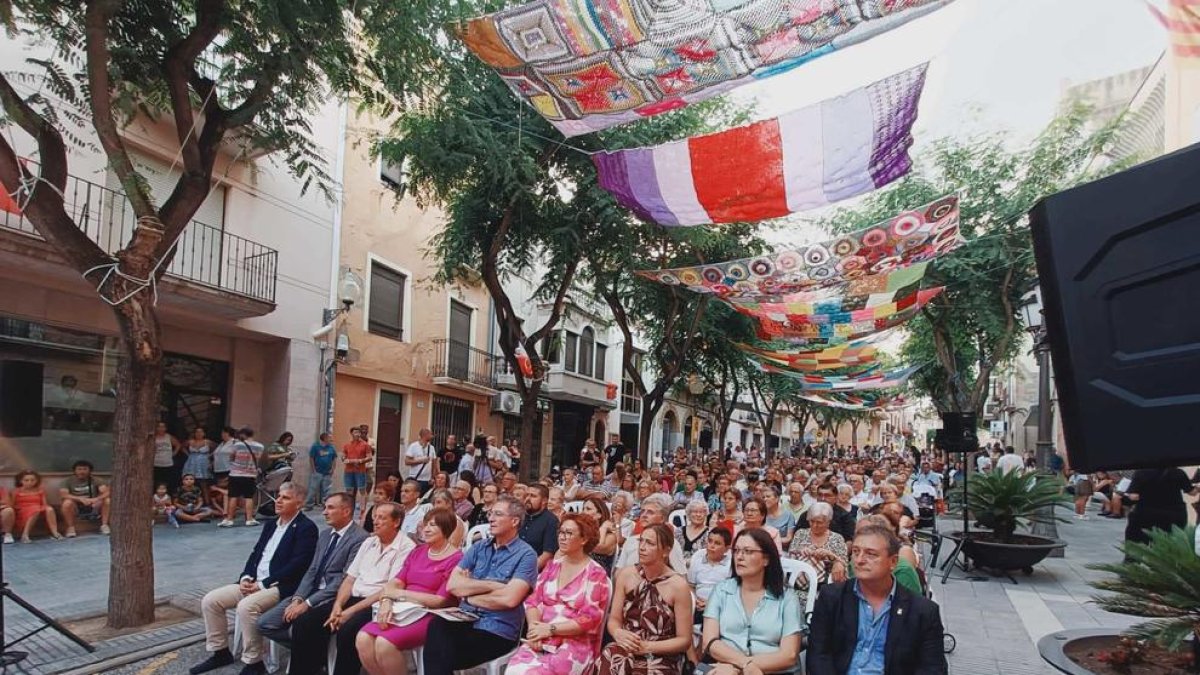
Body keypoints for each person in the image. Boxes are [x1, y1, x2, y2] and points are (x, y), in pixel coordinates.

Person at [190, 483, 318, 675]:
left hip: (279, 586)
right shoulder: (271, 524)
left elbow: (298, 565)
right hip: (254, 581)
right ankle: (220, 652)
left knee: (246, 607)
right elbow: (256, 553)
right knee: (211, 600)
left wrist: (262, 584)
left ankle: (254, 662)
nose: (278, 501)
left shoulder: (306, 528)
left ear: (299, 503)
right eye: (278, 496)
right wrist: (246, 576)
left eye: (285, 498)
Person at [287, 501, 414, 675]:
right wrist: (338, 606)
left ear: (396, 522)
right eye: (374, 517)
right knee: (305, 622)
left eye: (382, 518)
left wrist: (349, 612)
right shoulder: (369, 542)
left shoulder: (406, 547)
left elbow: (388, 589)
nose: (376, 522)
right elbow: (349, 579)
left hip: (376, 603)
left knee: (348, 631)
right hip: (351, 598)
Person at [806, 524, 947, 675]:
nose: (859, 560)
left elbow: (932, 668)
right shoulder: (832, 597)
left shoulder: (922, 611)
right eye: (855, 552)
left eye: (871, 554)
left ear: (893, 562)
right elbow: (818, 654)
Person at [422, 495, 538, 675]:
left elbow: (509, 600)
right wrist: (493, 585)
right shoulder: (479, 547)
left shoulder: (526, 555)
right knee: (436, 626)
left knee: (441, 652)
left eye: (498, 514)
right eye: (491, 514)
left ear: (514, 521)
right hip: (465, 618)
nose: (490, 518)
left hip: (497, 629)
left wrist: (468, 595)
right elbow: (453, 585)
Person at [356, 508, 463, 675]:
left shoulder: (456, 558)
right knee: (362, 638)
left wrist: (401, 594)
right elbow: (394, 583)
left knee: (384, 644)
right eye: (425, 525)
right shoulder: (418, 551)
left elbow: (440, 600)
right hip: (403, 609)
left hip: (431, 614)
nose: (426, 529)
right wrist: (386, 601)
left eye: (432, 525)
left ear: (446, 529)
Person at [260, 492, 369, 652]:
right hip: (310, 592)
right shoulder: (325, 535)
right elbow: (312, 570)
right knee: (265, 623)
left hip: (331, 597)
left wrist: (308, 604)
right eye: (325, 507)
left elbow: (344, 579)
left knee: (301, 627)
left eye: (330, 508)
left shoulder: (360, 538)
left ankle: (308, 648)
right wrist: (298, 599)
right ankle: (312, 648)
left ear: (346, 511)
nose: (324, 512)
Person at [507, 513, 612, 675]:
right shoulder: (552, 566)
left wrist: (550, 629)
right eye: (561, 532)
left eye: (568, 533)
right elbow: (533, 601)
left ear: (584, 539)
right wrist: (535, 630)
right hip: (542, 637)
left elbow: (589, 619)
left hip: (575, 645)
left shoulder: (595, 573)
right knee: (514, 670)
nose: (562, 537)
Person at [701, 528, 803, 675]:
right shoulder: (721, 590)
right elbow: (709, 642)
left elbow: (789, 655)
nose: (739, 557)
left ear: (766, 559)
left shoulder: (787, 597)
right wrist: (743, 664)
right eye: (736, 551)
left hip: (772, 671)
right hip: (725, 668)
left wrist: (741, 668)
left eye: (748, 551)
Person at [599, 523, 693, 675]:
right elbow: (614, 618)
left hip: (661, 653)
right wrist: (617, 632)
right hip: (627, 645)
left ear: (666, 551)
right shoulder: (626, 575)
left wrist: (647, 647)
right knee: (610, 659)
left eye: (650, 543)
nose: (642, 547)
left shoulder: (678, 586)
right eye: (641, 541)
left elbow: (684, 640)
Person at [788, 502, 849, 606]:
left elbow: (844, 563)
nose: (814, 525)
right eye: (811, 521)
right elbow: (791, 554)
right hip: (797, 589)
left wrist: (831, 556)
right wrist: (801, 551)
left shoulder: (837, 538)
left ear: (828, 522)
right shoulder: (801, 533)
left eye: (819, 522)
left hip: (824, 591)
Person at [1124, 467, 1198, 547]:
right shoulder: (1178, 472)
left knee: (1142, 541)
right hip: (1174, 514)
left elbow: (1133, 496)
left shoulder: (1141, 472)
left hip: (1146, 514)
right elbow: (1192, 492)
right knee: (1171, 543)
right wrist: (1197, 487)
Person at [614, 494, 686, 572]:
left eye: (650, 512)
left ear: (662, 518)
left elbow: (681, 574)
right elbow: (618, 571)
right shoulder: (631, 541)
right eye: (642, 511)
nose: (644, 515)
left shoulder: (670, 543)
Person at [687, 526, 732, 623]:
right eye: (710, 541)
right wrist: (695, 600)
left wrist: (712, 604)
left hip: (721, 607)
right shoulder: (697, 562)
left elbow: (732, 592)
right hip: (698, 607)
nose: (711, 546)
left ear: (727, 548)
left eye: (717, 543)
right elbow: (691, 586)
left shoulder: (731, 566)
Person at [220, 427, 261, 527]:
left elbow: (231, 457)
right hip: (250, 474)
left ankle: (229, 519)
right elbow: (257, 459)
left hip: (235, 474)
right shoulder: (260, 446)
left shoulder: (237, 445)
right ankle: (249, 519)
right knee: (249, 497)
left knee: (233, 496)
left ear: (243, 434)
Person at [59, 459, 111, 537]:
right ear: (75, 470)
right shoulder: (67, 481)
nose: (82, 472)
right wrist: (80, 499)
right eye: (79, 469)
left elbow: (106, 492)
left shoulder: (96, 480)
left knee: (107, 501)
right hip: (76, 505)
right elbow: (64, 494)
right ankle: (70, 527)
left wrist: (96, 499)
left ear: (90, 470)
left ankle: (104, 525)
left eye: (85, 469)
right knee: (67, 503)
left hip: (93, 504)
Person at [13, 470, 61, 542]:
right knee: (35, 510)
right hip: (23, 509)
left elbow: (44, 504)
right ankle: (25, 535)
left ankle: (55, 532)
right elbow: (12, 504)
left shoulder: (40, 490)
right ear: (21, 481)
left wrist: (44, 508)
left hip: (38, 507)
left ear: (36, 481)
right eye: (26, 480)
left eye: (32, 480)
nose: (29, 482)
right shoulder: (16, 491)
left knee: (49, 509)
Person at [520, 484, 560, 570]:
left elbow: (547, 555)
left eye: (533, 496)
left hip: (533, 569)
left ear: (544, 501)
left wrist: (525, 571)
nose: (528, 499)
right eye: (526, 495)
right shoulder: (519, 516)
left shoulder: (551, 521)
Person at [583, 496, 619, 572]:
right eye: (583, 509)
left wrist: (604, 527)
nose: (583, 512)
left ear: (599, 514)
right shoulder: (583, 532)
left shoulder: (610, 537)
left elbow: (597, 546)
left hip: (598, 574)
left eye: (588, 509)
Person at [343, 426, 373, 512]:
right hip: (348, 470)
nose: (357, 434)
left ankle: (362, 509)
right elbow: (343, 456)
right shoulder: (347, 445)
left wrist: (360, 461)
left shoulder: (365, 445)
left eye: (358, 432)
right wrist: (344, 459)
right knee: (349, 490)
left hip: (360, 470)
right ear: (351, 433)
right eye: (355, 432)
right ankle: (350, 507)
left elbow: (369, 457)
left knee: (362, 489)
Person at [307, 432, 338, 510]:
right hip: (317, 471)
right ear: (324, 438)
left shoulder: (331, 448)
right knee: (313, 489)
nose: (331, 439)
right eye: (329, 437)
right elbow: (311, 458)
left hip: (327, 472)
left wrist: (333, 469)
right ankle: (308, 505)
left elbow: (334, 458)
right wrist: (313, 469)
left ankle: (326, 505)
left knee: (327, 490)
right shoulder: (315, 446)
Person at [183, 427, 215, 498]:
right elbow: (182, 447)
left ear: (204, 433)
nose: (199, 434)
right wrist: (188, 454)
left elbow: (217, 448)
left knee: (204, 483)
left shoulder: (208, 442)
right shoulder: (190, 441)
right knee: (189, 482)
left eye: (201, 432)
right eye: (197, 432)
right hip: (191, 463)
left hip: (203, 463)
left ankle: (206, 501)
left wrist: (210, 455)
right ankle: (190, 499)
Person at [153, 421, 184, 492]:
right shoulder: (154, 437)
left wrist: (174, 453)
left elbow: (178, 445)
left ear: (165, 428)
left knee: (168, 480)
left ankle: (168, 495)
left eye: (163, 427)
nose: (161, 428)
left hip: (168, 462)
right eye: (159, 427)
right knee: (157, 480)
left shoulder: (169, 436)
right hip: (156, 462)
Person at [405, 428, 437, 494]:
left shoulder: (431, 448)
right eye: (430, 434)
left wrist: (433, 477)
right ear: (425, 435)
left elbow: (434, 464)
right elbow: (407, 461)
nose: (432, 436)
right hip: (415, 478)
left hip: (427, 480)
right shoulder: (413, 446)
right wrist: (421, 461)